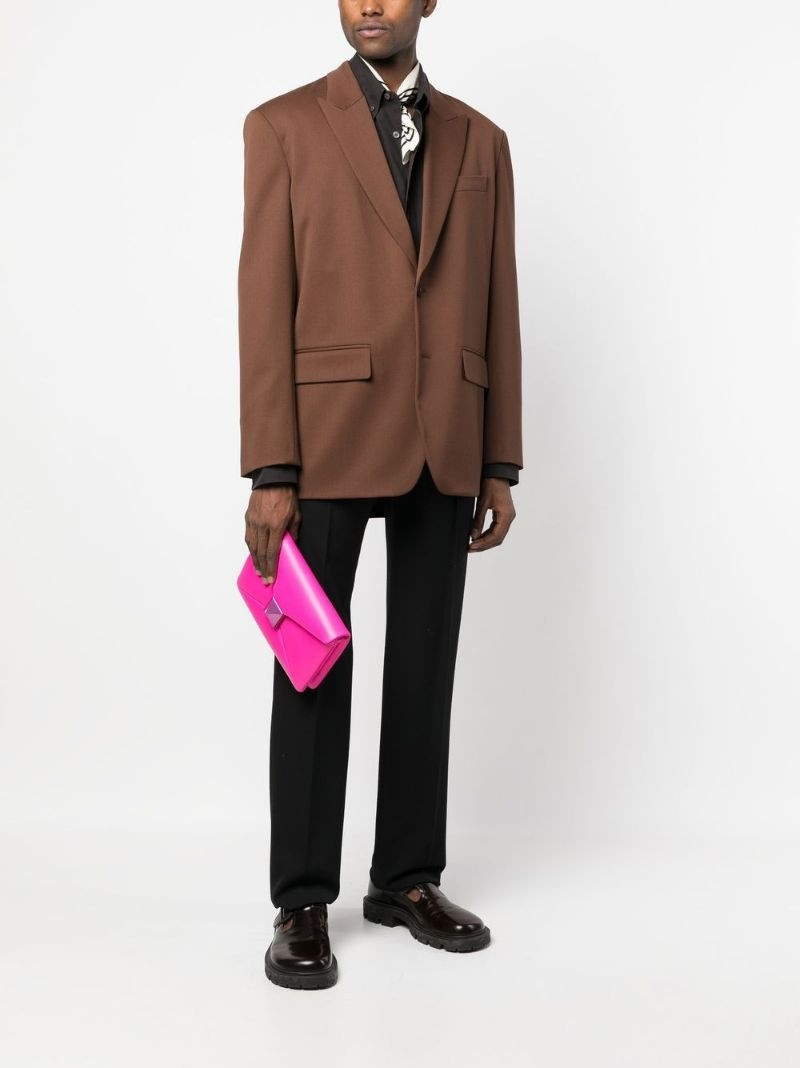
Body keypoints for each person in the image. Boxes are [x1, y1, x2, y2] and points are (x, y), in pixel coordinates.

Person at [238, 0, 523, 990]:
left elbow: (497, 296)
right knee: (310, 668)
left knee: (424, 668)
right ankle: (301, 900)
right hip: (323, 443)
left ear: (428, 1)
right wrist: (271, 468)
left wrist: (499, 458)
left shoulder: (482, 141)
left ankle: (405, 878)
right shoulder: (281, 126)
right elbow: (262, 300)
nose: (369, 4)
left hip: (447, 438)